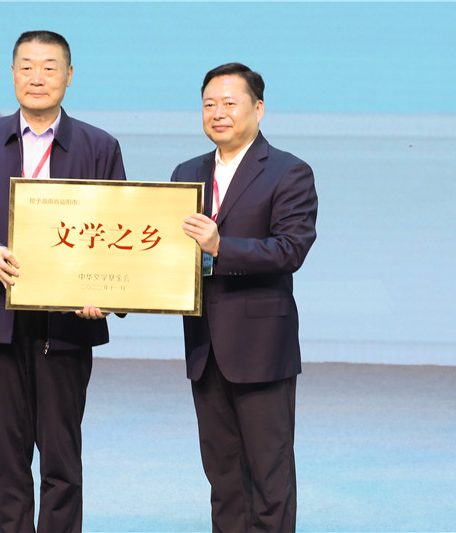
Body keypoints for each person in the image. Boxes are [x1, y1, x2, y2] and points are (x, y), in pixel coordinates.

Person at [0, 30, 126, 533]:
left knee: (62, 455)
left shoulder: (99, 146)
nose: (37, 78)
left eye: (49, 67)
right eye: (26, 67)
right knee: (6, 454)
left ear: (69, 75)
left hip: (68, 323)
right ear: (12, 74)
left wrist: (106, 292)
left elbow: (119, 231)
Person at [171, 63, 318, 532]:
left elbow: (290, 249)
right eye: (209, 104)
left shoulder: (288, 172)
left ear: (259, 108)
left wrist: (221, 246)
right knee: (223, 477)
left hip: (260, 348)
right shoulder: (186, 173)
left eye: (230, 103)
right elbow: (166, 254)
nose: (218, 113)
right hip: (204, 347)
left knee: (269, 476)